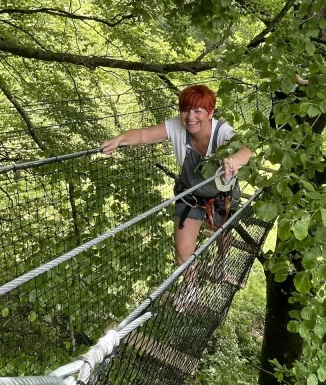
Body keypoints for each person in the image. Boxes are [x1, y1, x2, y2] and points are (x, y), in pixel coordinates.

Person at [102, 84, 253, 270]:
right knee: (183, 250)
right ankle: (191, 286)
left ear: (210, 113)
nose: (190, 117)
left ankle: (221, 263)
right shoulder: (176, 126)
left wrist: (234, 159)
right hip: (190, 195)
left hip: (222, 195)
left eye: (198, 111)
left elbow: (247, 150)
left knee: (223, 235)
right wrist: (119, 139)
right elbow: (143, 134)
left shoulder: (223, 132)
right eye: (185, 111)